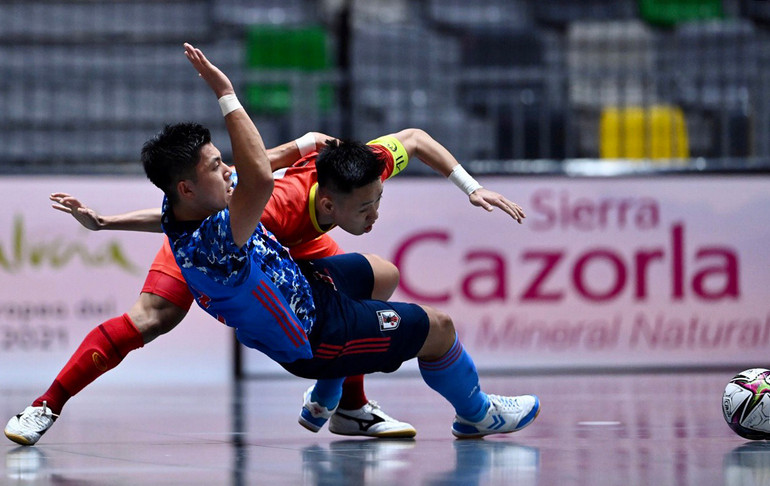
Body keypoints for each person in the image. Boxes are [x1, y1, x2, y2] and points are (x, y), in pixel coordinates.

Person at [154, 44, 538, 439]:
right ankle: (477, 414)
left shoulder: (183, 209)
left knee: (382, 274)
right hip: (316, 336)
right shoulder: (239, 223)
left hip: (300, 289)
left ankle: (336, 399)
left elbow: (416, 139)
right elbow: (258, 177)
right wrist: (226, 92)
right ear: (327, 204)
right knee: (439, 328)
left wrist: (470, 188)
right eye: (218, 167)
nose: (227, 172)